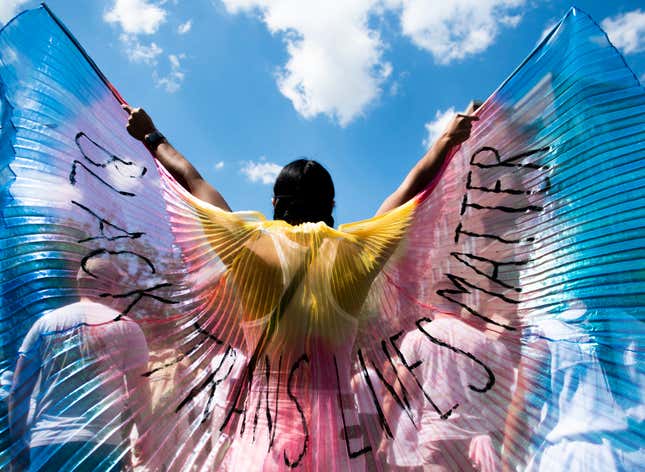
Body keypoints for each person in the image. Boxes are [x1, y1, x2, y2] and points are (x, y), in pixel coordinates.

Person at [122, 104, 477, 470]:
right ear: (332, 205)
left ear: (275, 203)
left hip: (264, 441)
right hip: (338, 445)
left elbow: (193, 183)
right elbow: (408, 191)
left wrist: (152, 136)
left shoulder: (247, 247)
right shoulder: (356, 254)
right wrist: (446, 141)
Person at [8, 258, 152, 471]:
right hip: (100, 447)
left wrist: (17, 448)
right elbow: (139, 393)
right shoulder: (127, 328)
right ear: (111, 285)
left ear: (80, 284)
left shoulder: (45, 324)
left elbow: (19, 392)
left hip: (47, 445)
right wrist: (146, 435)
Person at [377, 278, 514, 471]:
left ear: (430, 304)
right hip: (477, 438)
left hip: (437, 435)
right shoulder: (486, 342)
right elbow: (506, 394)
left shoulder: (416, 339)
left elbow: (397, 392)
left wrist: (386, 437)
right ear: (461, 304)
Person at [502, 300, 645, 472]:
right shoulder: (632, 327)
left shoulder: (549, 332)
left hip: (570, 458)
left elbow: (521, 407)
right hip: (633, 454)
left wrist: (507, 464)